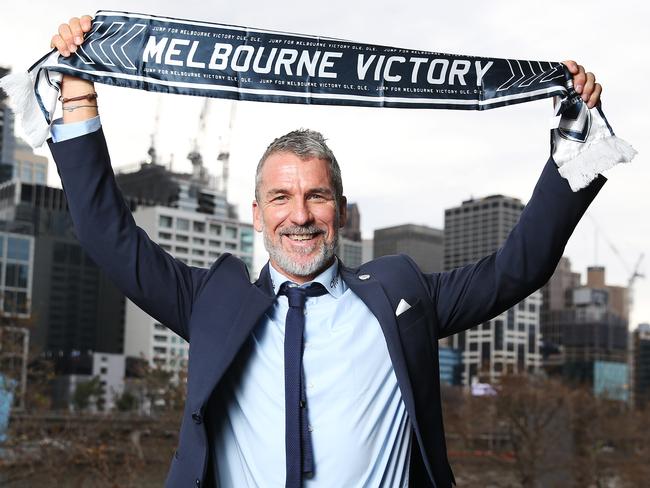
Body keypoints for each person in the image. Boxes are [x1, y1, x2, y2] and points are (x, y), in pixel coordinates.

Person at [48, 15, 605, 488]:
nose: (300, 215)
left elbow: (519, 268)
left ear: (339, 206)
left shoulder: (401, 296)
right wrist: (78, 92)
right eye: (281, 197)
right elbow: (107, 235)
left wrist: (576, 136)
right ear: (258, 212)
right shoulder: (211, 301)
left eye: (316, 196)